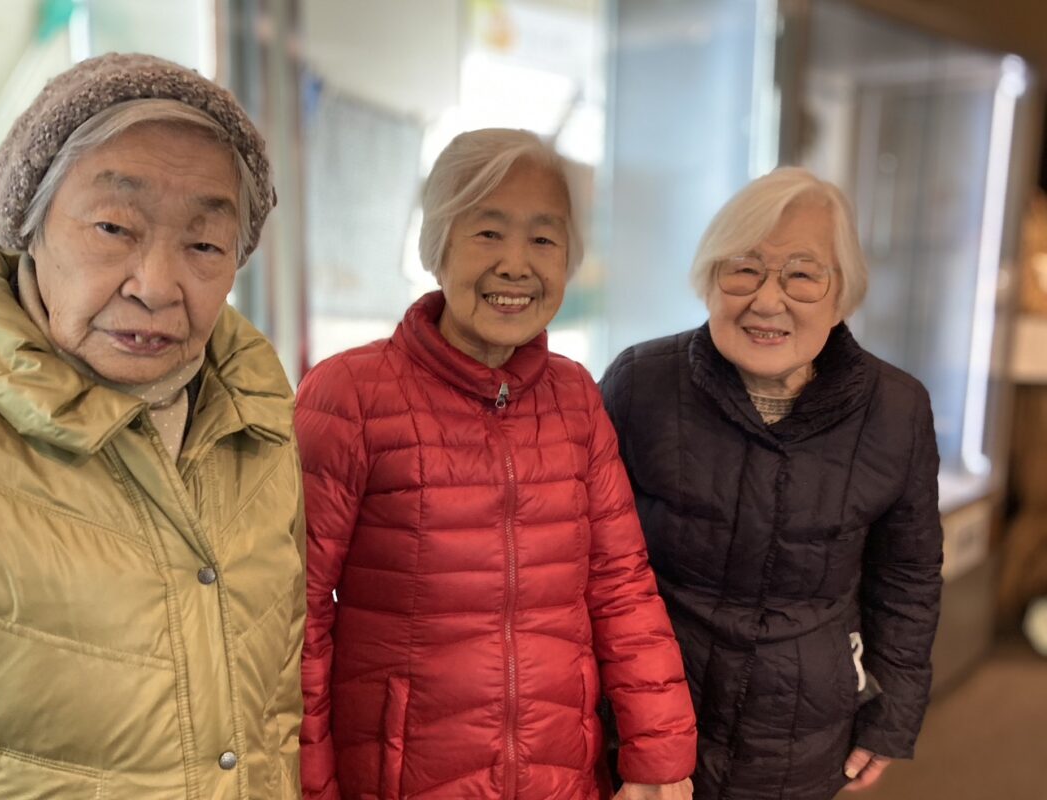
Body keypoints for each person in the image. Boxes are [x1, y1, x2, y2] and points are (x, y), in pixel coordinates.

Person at [0, 53, 304, 798]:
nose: (156, 286)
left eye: (203, 245)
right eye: (113, 227)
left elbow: (272, 716)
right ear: (28, 225)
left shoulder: (254, 417)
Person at [296, 128, 697, 800]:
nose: (516, 265)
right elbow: (296, 616)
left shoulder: (575, 397)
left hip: (560, 778)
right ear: (437, 247)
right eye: (488, 233)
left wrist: (659, 756)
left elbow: (620, 584)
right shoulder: (349, 395)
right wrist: (310, 786)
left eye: (543, 238)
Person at [600, 167, 944, 800]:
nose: (766, 301)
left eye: (802, 275)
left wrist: (891, 713)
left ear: (842, 296)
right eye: (743, 269)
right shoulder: (640, 382)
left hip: (804, 736)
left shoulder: (896, 409)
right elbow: (587, 558)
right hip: (649, 726)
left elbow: (908, 576)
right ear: (709, 280)